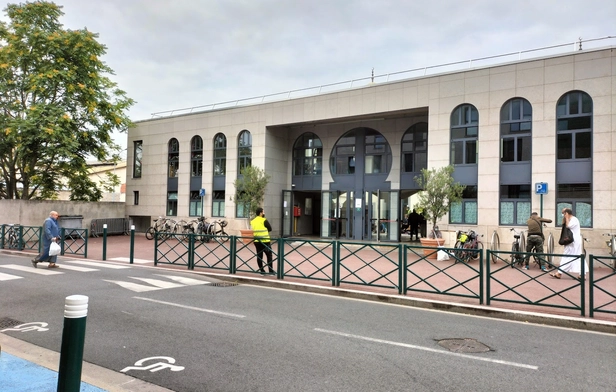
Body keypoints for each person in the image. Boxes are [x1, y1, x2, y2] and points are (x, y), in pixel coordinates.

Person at [550, 208, 588, 280]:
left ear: (566, 213)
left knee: (568, 256)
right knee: (574, 257)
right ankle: (582, 274)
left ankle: (559, 273)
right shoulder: (572, 219)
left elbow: (569, 226)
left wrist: (567, 217)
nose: (563, 215)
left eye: (563, 213)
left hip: (573, 242)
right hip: (571, 242)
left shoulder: (574, 219)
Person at [250, 207, 274, 275]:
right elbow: (270, 228)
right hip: (265, 240)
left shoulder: (253, 221)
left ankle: (262, 271)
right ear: (260, 213)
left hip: (257, 241)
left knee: (259, 255)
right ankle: (271, 271)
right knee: (269, 255)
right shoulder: (264, 220)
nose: (264, 213)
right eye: (263, 212)